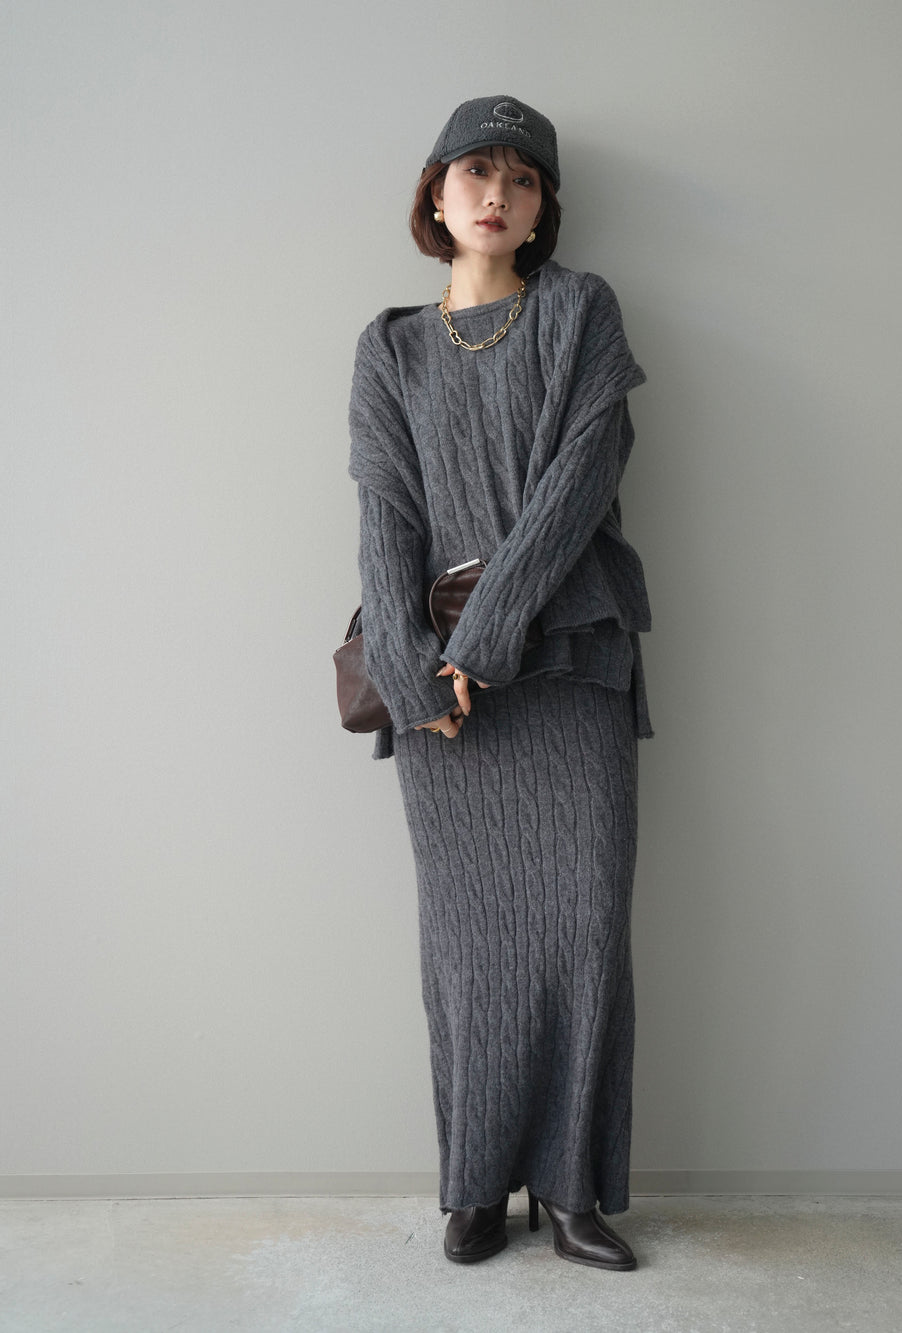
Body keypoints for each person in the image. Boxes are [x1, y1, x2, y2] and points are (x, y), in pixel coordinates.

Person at [348, 96, 653, 1271]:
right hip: (436, 689)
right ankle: (475, 1185)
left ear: (543, 209)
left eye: (523, 180)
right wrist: (408, 667)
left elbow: (579, 485)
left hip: (569, 659)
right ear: (434, 193)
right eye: (475, 171)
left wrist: (485, 640)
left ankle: (572, 1191)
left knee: (584, 932)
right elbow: (385, 514)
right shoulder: (389, 347)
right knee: (468, 952)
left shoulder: (580, 310)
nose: (497, 195)